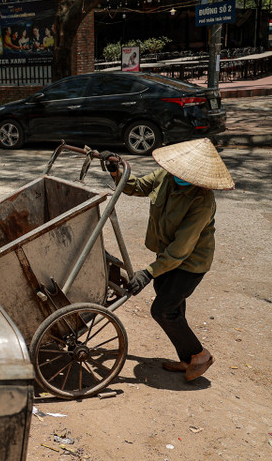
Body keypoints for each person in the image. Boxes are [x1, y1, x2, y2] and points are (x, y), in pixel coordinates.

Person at [100, 138, 234, 381]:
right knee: (172, 305)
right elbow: (136, 187)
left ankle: (200, 355)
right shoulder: (165, 176)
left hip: (190, 264)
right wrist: (115, 169)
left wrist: (147, 272)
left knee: (163, 310)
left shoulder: (202, 201)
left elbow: (181, 250)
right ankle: (187, 360)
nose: (179, 175)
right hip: (166, 256)